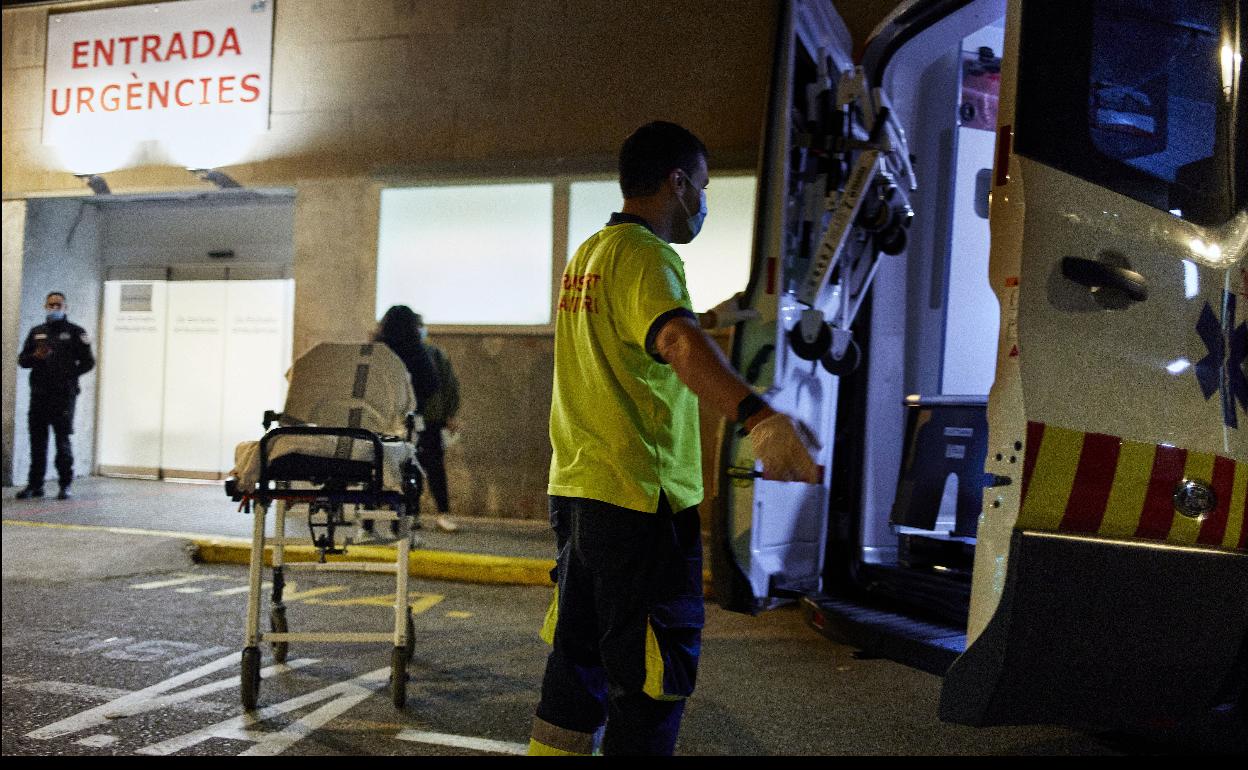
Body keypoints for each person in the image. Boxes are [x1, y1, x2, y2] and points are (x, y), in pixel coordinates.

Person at [529, 121, 819, 756]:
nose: (704, 203)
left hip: (580, 492)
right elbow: (674, 341)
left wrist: (718, 316)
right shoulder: (650, 256)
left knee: (578, 665)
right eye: (705, 187)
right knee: (654, 677)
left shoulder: (592, 254)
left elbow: (645, 334)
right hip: (641, 501)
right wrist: (761, 419)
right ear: (677, 182)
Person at [361, 305, 440, 541]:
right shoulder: (418, 353)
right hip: (407, 424)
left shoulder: (376, 351)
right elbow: (432, 385)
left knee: (372, 469)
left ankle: (367, 525)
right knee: (409, 470)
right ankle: (403, 525)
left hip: (375, 421)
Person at [16, 291, 95, 500]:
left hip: (64, 396)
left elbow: (88, 362)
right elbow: (22, 361)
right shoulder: (37, 333)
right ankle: (35, 485)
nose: (54, 308)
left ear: (65, 307)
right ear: (45, 306)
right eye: (51, 305)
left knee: (62, 441)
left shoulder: (76, 333)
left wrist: (69, 374)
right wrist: (35, 356)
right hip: (39, 394)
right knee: (37, 441)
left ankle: (65, 484)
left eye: (58, 305)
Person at [412, 313, 462, 533]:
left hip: (430, 420)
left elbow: (449, 387)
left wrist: (449, 414)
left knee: (432, 468)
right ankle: (415, 513)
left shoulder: (434, 355)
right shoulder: (429, 354)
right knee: (418, 469)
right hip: (420, 419)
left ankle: (438, 512)